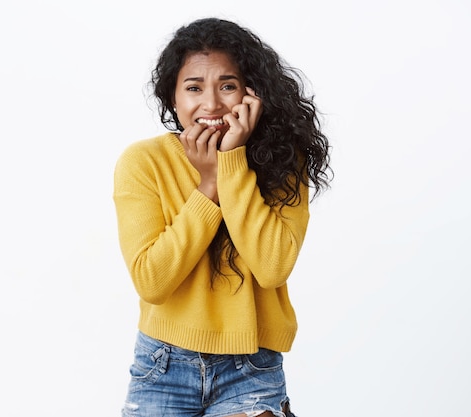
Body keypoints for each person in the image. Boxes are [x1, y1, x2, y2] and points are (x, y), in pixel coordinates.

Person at [113, 17, 332, 417]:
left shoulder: (284, 160)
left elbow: (272, 267)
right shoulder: (143, 162)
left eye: (227, 86)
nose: (212, 104)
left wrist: (230, 162)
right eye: (194, 88)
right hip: (163, 367)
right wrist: (208, 184)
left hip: (249, 367)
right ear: (173, 99)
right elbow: (152, 281)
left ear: (252, 93)